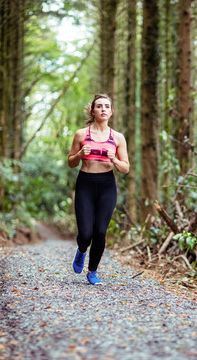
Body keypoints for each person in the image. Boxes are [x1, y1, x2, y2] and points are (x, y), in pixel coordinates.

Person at [67, 94, 130, 285]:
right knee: (86, 233)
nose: (103, 109)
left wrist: (115, 160)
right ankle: (82, 250)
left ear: (111, 112)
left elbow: (125, 168)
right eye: (99, 106)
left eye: (107, 106)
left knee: (100, 231)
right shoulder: (81, 134)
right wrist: (79, 154)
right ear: (93, 111)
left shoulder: (117, 137)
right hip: (85, 183)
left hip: (106, 186)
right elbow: (71, 163)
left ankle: (92, 271)